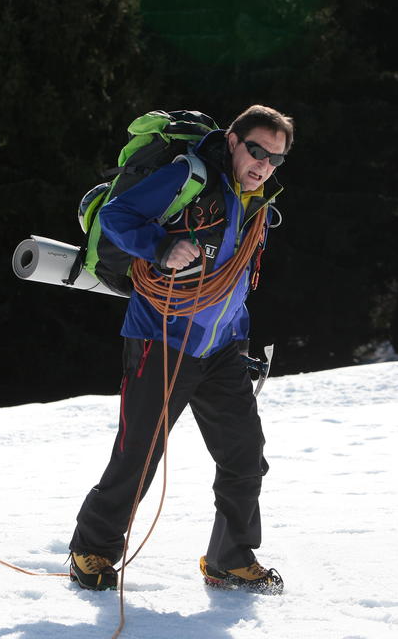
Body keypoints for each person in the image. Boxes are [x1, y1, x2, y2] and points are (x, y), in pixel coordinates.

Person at [68, 104, 293, 593]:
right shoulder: (188, 176)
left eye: (275, 158)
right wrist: (159, 247)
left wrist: (239, 341)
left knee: (245, 453)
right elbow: (115, 215)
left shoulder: (257, 202)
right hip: (161, 338)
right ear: (233, 141)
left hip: (222, 348)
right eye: (256, 151)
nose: (264, 165)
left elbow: (235, 282)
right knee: (139, 454)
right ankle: (92, 549)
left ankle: (229, 559)